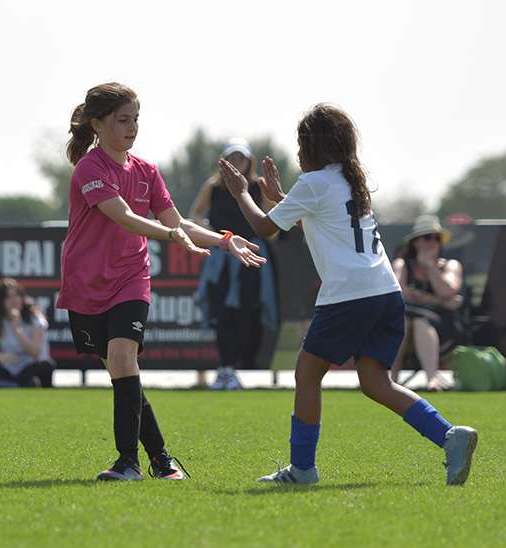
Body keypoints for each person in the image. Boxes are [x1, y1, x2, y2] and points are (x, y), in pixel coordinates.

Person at [218, 103, 478, 486]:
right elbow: (321, 218)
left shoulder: (315, 183)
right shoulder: (347, 180)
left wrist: (241, 192)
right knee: (376, 382)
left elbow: (263, 228)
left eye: (300, 143)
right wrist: (280, 197)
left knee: (307, 373)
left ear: (313, 146)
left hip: (349, 296)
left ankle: (303, 469)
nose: (298, 151)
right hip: (386, 293)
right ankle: (450, 436)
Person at [58, 83, 265, 481]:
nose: (132, 127)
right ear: (98, 124)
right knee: (125, 372)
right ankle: (162, 461)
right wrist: (171, 236)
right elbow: (122, 216)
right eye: (123, 120)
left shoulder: (147, 170)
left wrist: (224, 239)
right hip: (85, 284)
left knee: (122, 360)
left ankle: (126, 463)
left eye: (135, 119)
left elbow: (180, 223)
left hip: (131, 278)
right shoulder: (90, 167)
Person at [189, 138, 278, 391]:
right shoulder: (213, 187)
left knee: (247, 314)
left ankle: (234, 369)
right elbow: (195, 213)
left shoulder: (258, 187)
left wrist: (266, 233)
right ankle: (226, 370)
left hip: (249, 260)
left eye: (241, 157)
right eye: (232, 157)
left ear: (249, 161)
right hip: (220, 260)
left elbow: (275, 219)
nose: (237, 162)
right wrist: (210, 233)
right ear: (224, 161)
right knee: (221, 314)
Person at [390, 215, 464, 391]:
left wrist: (430, 266)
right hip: (407, 329)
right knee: (406, 320)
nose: (432, 242)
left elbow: (448, 290)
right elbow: (400, 291)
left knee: (421, 321)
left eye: (437, 238)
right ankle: (391, 380)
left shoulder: (450, 265)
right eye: (427, 237)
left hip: (443, 327)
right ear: (415, 242)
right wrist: (440, 301)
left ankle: (432, 379)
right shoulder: (402, 264)